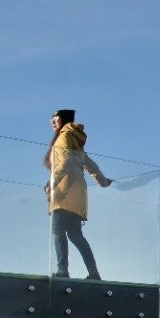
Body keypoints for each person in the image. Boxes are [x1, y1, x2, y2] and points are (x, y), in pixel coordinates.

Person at [43, 109, 112, 279]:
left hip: (64, 190)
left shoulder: (64, 136)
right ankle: (94, 273)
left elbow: (65, 163)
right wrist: (104, 182)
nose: (52, 122)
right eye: (51, 119)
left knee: (58, 230)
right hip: (78, 192)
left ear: (64, 120)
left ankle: (62, 270)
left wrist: (51, 183)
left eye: (56, 119)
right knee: (75, 235)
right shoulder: (76, 140)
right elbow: (91, 165)